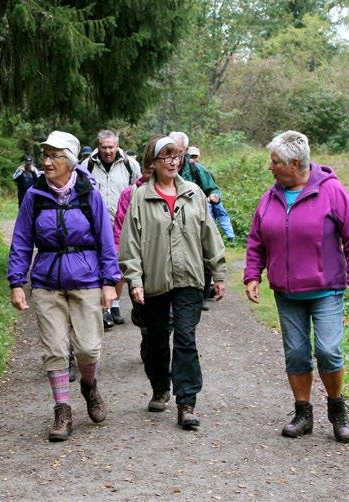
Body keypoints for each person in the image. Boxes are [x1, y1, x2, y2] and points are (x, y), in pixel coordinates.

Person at [244, 131, 349, 443]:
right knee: (296, 353)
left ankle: (337, 409)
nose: (270, 167)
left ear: (295, 163)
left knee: (328, 350)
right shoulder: (270, 196)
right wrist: (252, 275)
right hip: (287, 292)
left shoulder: (332, 191)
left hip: (325, 289)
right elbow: (256, 240)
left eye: (275, 162)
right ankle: (303, 413)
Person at [8, 131, 120, 442]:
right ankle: (62, 409)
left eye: (54, 155)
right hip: (46, 282)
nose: (46, 161)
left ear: (69, 161)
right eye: (45, 155)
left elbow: (105, 240)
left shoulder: (88, 194)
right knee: (54, 349)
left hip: (85, 280)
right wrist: (17, 282)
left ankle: (89, 386)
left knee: (88, 347)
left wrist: (110, 282)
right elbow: (21, 241)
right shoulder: (35, 195)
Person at [119, 135, 226, 430]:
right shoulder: (140, 197)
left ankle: (186, 402)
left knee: (185, 338)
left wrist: (217, 273)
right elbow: (130, 242)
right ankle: (160, 387)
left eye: (176, 156)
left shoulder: (193, 193)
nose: (172, 162)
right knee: (155, 341)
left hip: (189, 278)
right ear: (153, 163)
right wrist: (135, 279)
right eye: (165, 157)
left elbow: (210, 235)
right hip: (153, 280)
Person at [86, 130, 140, 328]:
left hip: (123, 224)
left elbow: (139, 190)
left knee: (119, 267)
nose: (108, 151)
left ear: (117, 146)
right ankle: (104, 309)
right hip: (95, 225)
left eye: (111, 147)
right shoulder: (87, 165)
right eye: (104, 147)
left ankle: (115, 306)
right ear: (98, 147)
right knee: (98, 265)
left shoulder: (130, 165)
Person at [169, 132, 223, 310]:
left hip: (194, 217)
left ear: (185, 149)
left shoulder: (194, 168)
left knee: (201, 253)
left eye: (180, 151)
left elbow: (213, 188)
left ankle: (200, 296)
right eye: (172, 150)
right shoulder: (163, 165)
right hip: (171, 217)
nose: (176, 156)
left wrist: (213, 196)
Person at [188, 146, 235, 242]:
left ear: (199, 157)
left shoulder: (204, 172)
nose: (193, 159)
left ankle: (227, 236)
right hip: (199, 206)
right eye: (191, 156)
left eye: (195, 156)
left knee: (217, 217)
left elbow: (222, 214)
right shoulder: (186, 172)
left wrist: (229, 234)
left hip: (210, 202)